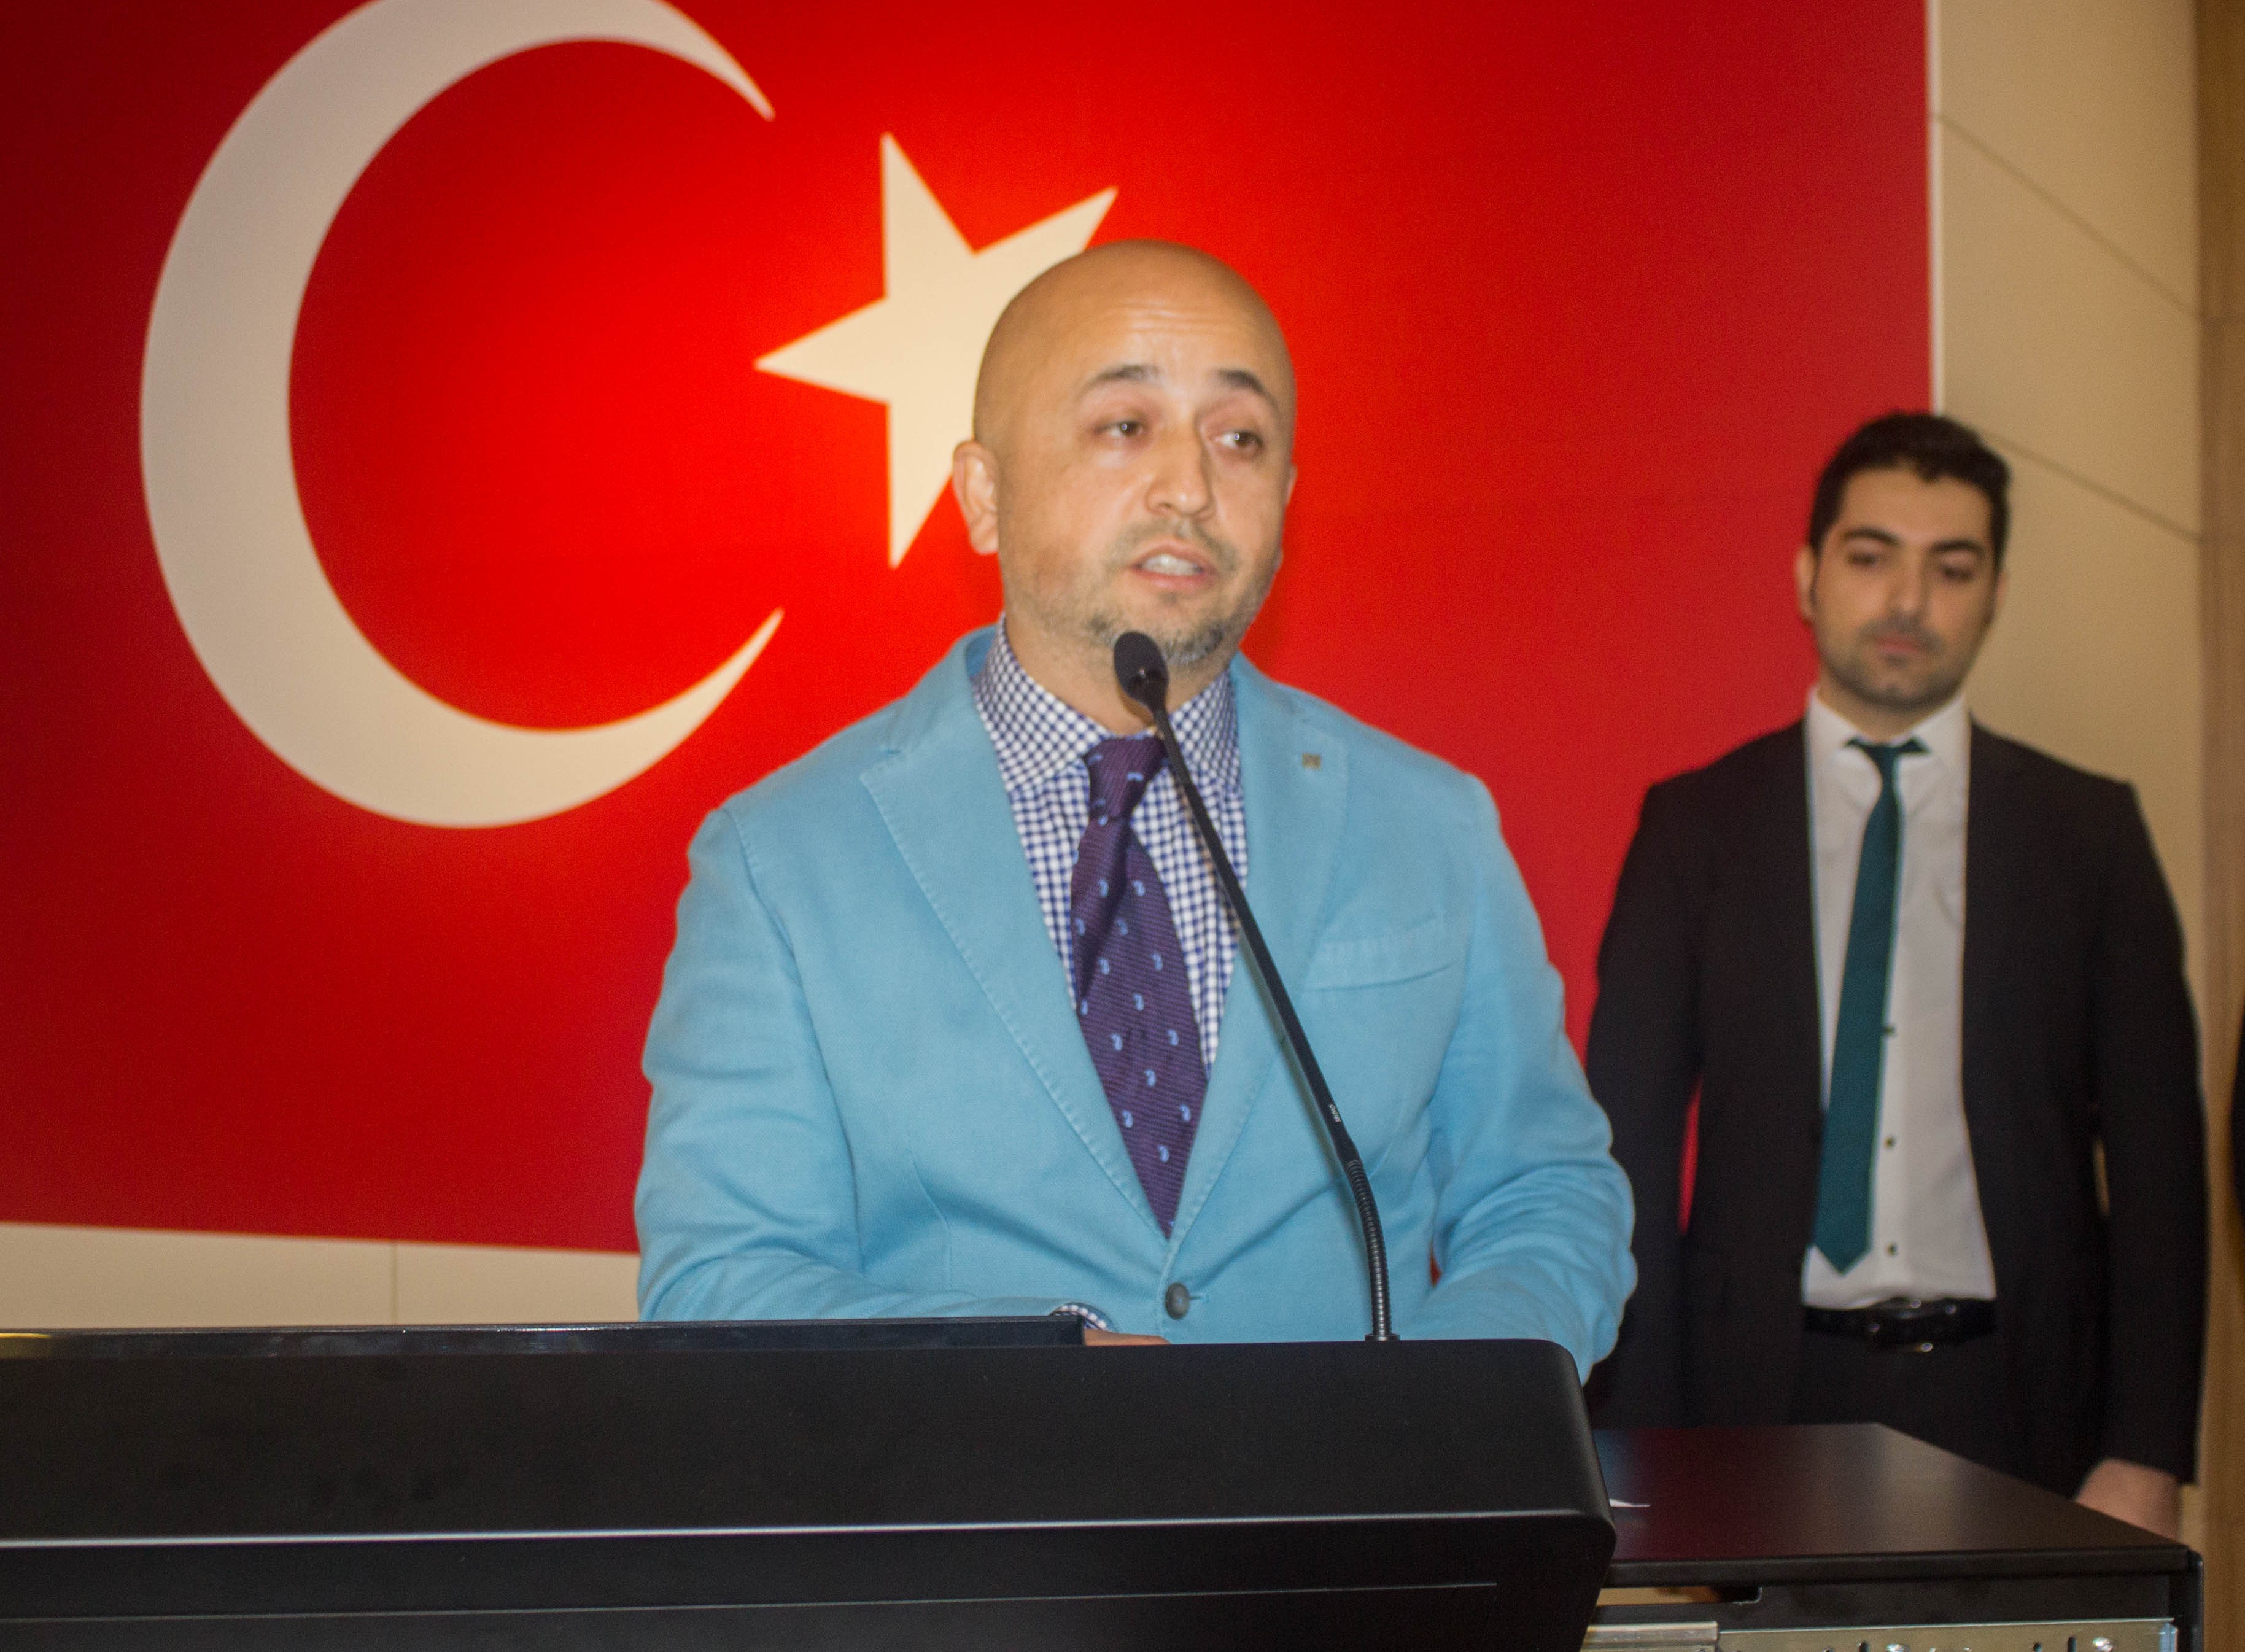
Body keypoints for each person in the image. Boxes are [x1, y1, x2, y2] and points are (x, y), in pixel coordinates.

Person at [635, 240, 1633, 1357]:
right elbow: (723, 1279)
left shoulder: (1429, 823)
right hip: (985, 1476)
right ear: (982, 494)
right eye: (1124, 425)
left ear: (1286, 499)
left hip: (1357, 1476)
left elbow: (1545, 1197)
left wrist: (1434, 1420)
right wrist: (1048, 1378)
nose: (1190, 488)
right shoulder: (780, 859)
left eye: (1239, 439)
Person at [1586, 413, 2205, 1534]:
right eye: (1872, 557)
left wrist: (2145, 1451)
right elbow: (1624, 1148)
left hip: (2022, 1406)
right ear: (1808, 575)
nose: (1908, 600)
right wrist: (1642, 1448)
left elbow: (2160, 1166)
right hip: (1756, 1403)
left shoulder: (2089, 835)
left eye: (1950, 568)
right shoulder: (1694, 829)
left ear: (1995, 594)